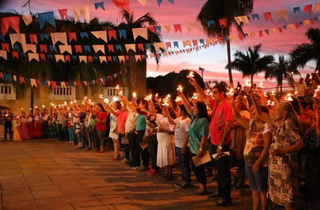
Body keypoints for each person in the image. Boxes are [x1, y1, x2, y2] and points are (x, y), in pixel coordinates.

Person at [253, 100, 305, 210]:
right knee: (282, 199)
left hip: (286, 166)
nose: (274, 111)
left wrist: (282, 151)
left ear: (284, 113)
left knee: (288, 200)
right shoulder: (278, 122)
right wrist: (253, 98)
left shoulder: (288, 122)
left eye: (276, 110)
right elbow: (261, 114)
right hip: (277, 167)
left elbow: (300, 143)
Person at [190, 78, 234, 206]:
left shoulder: (226, 106)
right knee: (218, 170)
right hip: (215, 143)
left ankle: (226, 197)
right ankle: (220, 191)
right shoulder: (216, 105)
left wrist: (221, 145)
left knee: (223, 170)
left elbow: (228, 126)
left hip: (222, 144)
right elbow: (204, 97)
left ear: (222, 93)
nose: (213, 95)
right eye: (213, 92)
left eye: (215, 92)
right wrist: (195, 84)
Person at [229, 95, 273, 210]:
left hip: (261, 163)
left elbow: (267, 146)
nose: (252, 113)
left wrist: (258, 162)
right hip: (249, 162)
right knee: (254, 189)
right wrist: (232, 104)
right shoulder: (252, 124)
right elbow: (238, 117)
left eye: (255, 112)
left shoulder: (267, 127)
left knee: (262, 190)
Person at [178, 91, 209, 196]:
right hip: (192, 148)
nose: (193, 108)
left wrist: (201, 149)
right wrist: (182, 95)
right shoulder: (193, 119)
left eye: (196, 107)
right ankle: (201, 185)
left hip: (199, 149)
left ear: (200, 109)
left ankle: (203, 187)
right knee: (195, 168)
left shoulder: (203, 121)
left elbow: (204, 136)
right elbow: (187, 107)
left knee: (199, 169)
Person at [167, 104, 191, 188]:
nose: (178, 111)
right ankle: (182, 179)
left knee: (185, 164)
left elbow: (188, 133)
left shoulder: (187, 120)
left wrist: (184, 146)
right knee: (181, 164)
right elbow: (171, 121)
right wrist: (167, 111)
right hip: (178, 144)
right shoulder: (179, 119)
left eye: (179, 109)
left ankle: (186, 180)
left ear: (183, 111)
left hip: (183, 145)